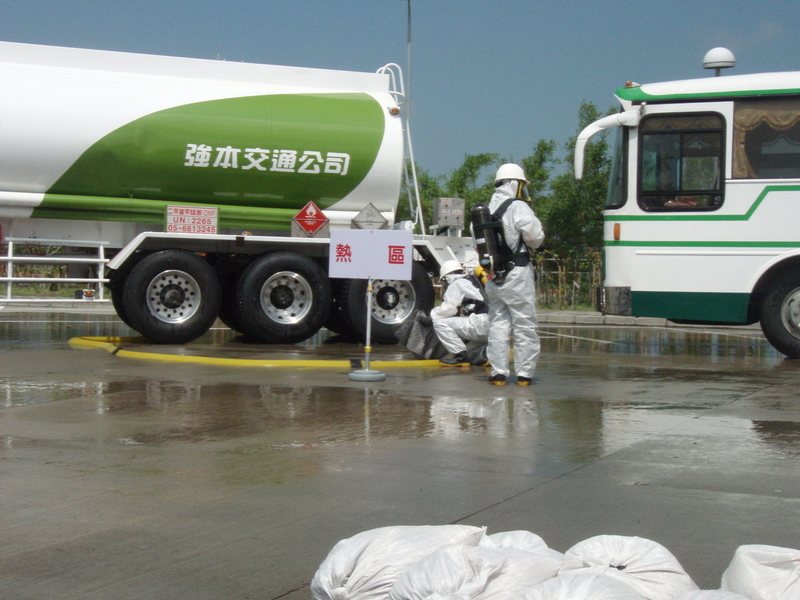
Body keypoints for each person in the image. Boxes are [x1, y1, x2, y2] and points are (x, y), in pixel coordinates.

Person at [484, 163, 544, 386]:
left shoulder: (486, 209)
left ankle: (498, 373)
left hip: (494, 276)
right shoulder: (517, 206)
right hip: (517, 274)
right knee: (524, 324)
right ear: (515, 183)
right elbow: (535, 238)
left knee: (498, 325)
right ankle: (524, 374)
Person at [427, 260, 489, 367]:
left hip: (481, 323)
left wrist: (432, 315)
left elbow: (449, 308)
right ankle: (487, 355)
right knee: (471, 351)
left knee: (439, 322)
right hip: (494, 325)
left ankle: (460, 356)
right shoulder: (472, 281)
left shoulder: (457, 283)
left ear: (447, 277)